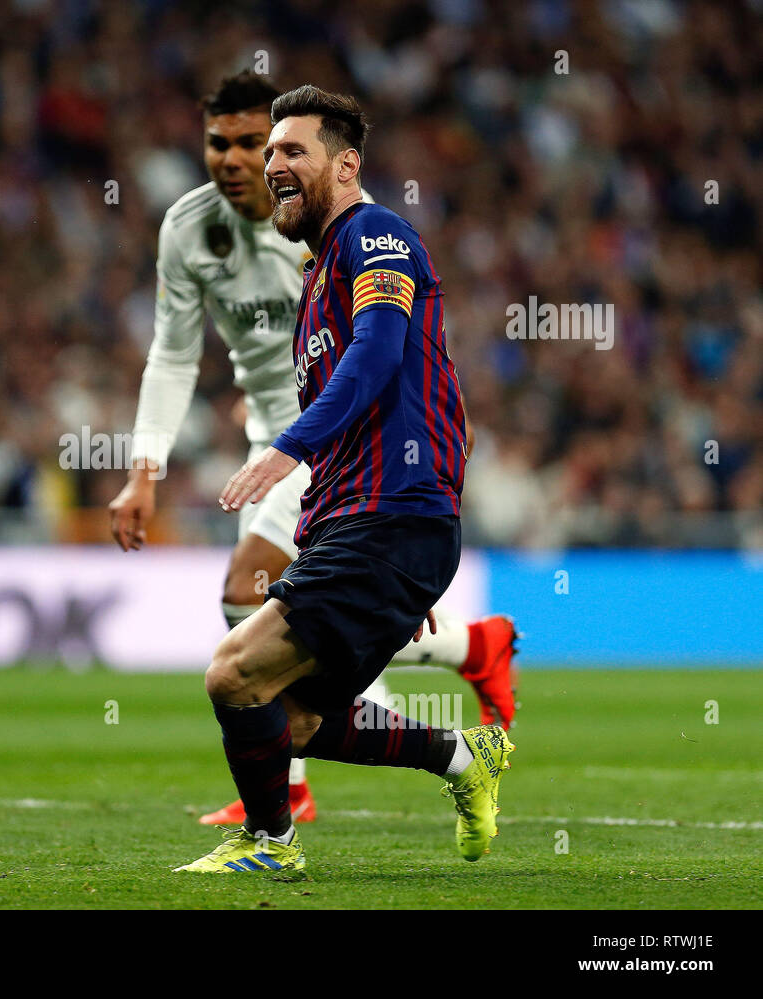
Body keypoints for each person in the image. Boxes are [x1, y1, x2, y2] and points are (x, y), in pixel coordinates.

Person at [108, 72, 516, 828]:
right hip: (359, 514)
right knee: (288, 717)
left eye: (284, 148)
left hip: (384, 511)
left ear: (346, 164)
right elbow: (183, 359)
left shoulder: (377, 235)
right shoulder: (312, 267)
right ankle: (462, 752)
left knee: (235, 665)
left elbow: (381, 353)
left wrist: (294, 452)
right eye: (256, 150)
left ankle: (272, 838)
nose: (263, 164)